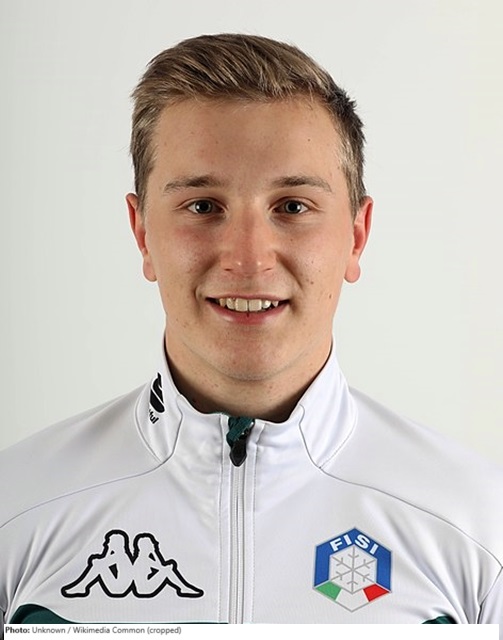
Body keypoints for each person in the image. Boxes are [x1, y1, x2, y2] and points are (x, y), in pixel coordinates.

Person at [1, 33, 502, 630]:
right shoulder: (17, 508)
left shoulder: (478, 524)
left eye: (292, 206)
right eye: (202, 206)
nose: (248, 258)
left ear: (356, 235)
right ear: (142, 233)